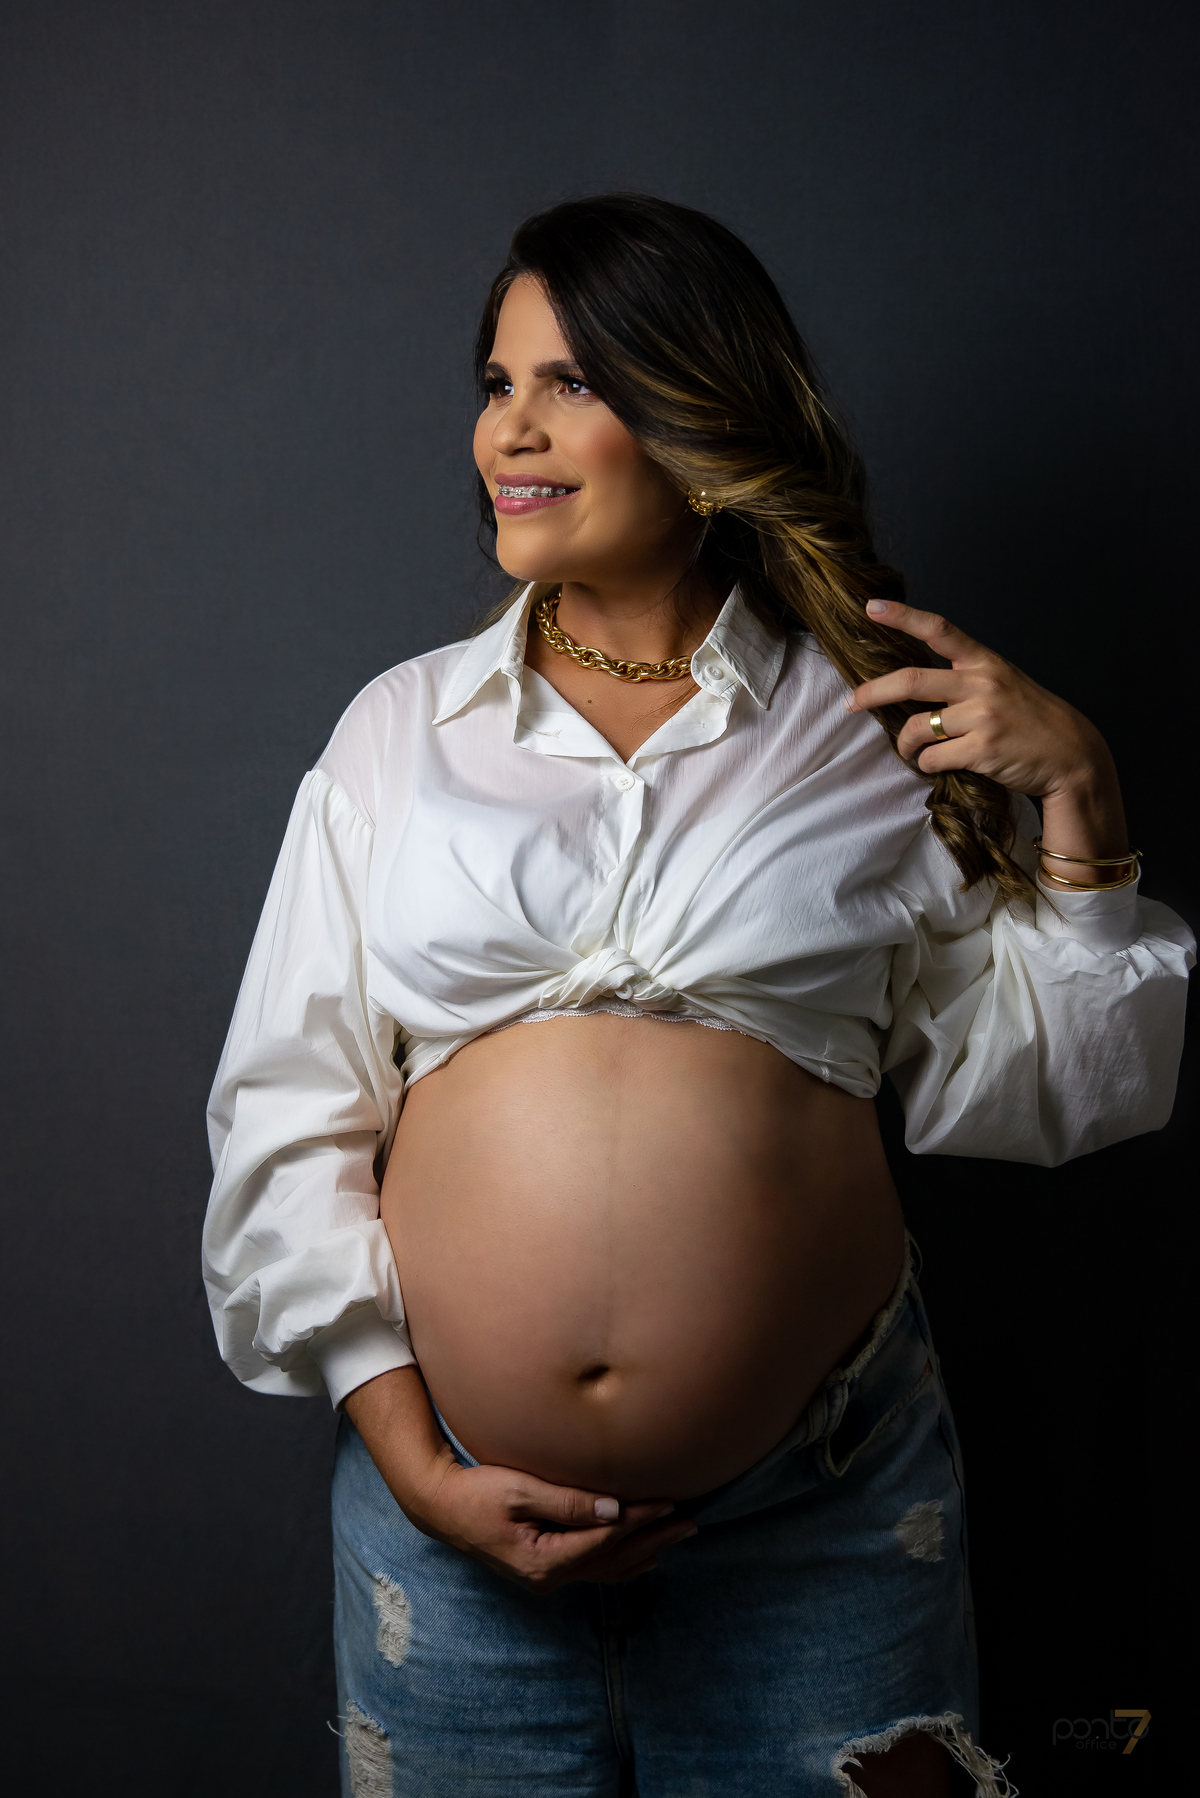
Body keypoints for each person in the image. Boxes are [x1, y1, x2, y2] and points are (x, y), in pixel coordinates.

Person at [202, 195, 1193, 1797]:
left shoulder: (871, 723)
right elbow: (287, 1113)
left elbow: (1057, 1093)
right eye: (498, 381)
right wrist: (413, 1461)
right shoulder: (400, 731)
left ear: (697, 412)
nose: (510, 429)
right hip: (448, 1538)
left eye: (572, 382)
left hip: (821, 1528)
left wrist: (1081, 798)